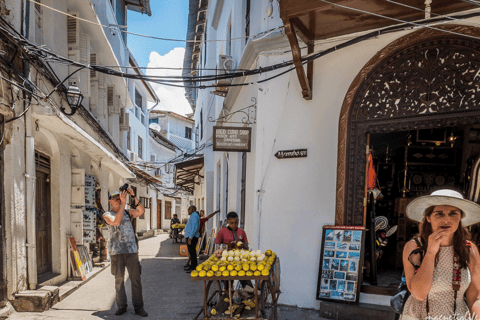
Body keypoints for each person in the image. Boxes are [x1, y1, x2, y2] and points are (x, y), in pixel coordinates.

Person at [401, 189, 480, 319]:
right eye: (439, 214)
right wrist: (431, 252)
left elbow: (475, 298)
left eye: (453, 213)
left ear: (460, 217)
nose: (446, 220)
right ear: (428, 218)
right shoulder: (414, 247)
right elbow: (419, 294)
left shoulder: (470, 250)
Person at [103, 188, 148, 317]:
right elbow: (116, 222)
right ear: (110, 201)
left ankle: (139, 307)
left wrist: (133, 196)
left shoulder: (128, 213)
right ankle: (122, 306)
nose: (118, 199)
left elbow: (141, 211)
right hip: (116, 252)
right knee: (119, 280)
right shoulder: (107, 214)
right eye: (115, 198)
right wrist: (123, 204)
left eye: (119, 197)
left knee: (135, 280)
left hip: (131, 251)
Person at [184, 205, 200, 273]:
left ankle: (193, 268)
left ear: (193, 209)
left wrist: (190, 237)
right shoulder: (193, 216)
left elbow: (194, 228)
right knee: (191, 252)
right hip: (191, 236)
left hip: (192, 237)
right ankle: (192, 265)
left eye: (189, 209)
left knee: (192, 252)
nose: (188, 211)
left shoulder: (194, 216)